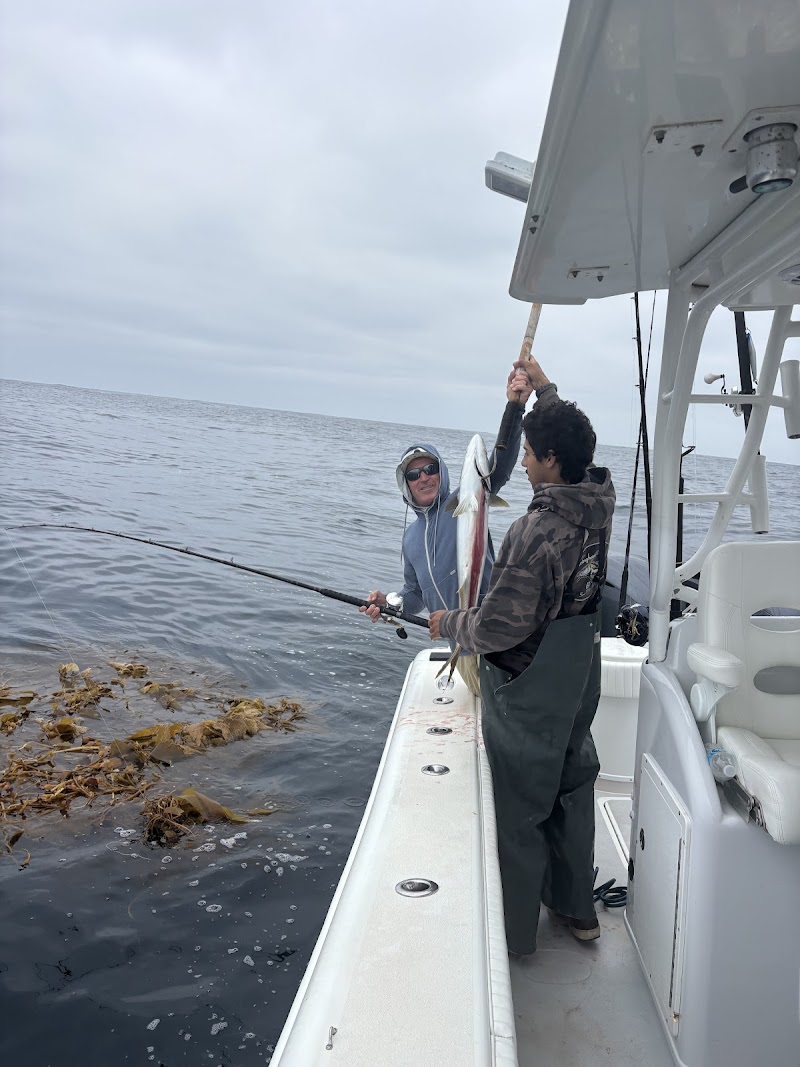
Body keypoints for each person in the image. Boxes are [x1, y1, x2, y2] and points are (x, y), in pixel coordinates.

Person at [428, 357, 615, 956]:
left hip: (530, 688)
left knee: (520, 812)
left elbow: (496, 629)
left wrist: (447, 623)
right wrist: (543, 390)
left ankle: (513, 939)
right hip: (578, 678)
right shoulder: (600, 497)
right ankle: (578, 912)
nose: (525, 463)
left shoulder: (535, 531)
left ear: (551, 461)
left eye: (531, 454)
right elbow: (575, 441)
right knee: (571, 790)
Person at [358, 364, 534, 623]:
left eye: (430, 469)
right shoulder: (410, 538)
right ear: (406, 484)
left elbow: (501, 465)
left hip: (493, 630)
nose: (424, 478)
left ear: (442, 472)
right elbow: (416, 596)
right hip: (454, 638)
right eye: (413, 474)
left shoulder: (467, 500)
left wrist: (515, 407)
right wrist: (389, 603)